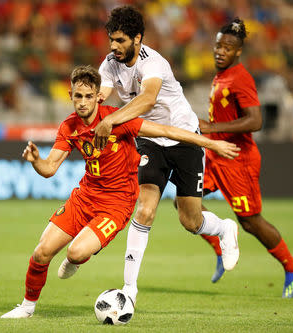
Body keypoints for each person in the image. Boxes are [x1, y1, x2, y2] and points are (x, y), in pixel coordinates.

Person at [0, 65, 240, 318]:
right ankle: (26, 308)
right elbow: (49, 169)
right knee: (41, 252)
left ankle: (76, 260)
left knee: (75, 252)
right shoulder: (69, 127)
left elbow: (167, 131)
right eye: (78, 96)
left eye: (88, 96)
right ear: (70, 95)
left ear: (98, 96)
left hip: (116, 205)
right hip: (84, 197)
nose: (82, 103)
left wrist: (211, 143)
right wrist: (36, 160)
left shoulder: (119, 120)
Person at [93, 5, 240, 303]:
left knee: (190, 220)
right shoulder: (109, 63)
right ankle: (129, 290)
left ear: (137, 39)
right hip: (150, 140)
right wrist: (90, 108)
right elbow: (100, 95)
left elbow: (147, 100)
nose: (113, 46)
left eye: (120, 40)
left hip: (184, 137)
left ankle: (224, 228)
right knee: (145, 209)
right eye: (111, 39)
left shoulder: (153, 63)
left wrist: (112, 120)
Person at [197, 18, 293, 298]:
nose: (221, 51)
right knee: (187, 202)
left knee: (250, 222)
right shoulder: (221, 75)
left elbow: (255, 121)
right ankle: (221, 248)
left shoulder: (240, 78)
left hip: (237, 159)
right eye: (218, 45)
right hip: (216, 153)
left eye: (228, 48)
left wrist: (212, 128)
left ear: (238, 52)